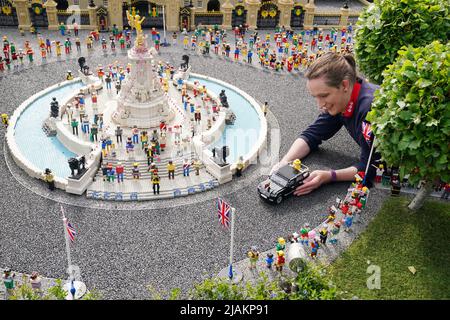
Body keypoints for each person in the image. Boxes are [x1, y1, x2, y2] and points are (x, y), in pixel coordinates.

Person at [271, 52, 380, 196]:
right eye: (315, 97)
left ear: (344, 85)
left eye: (323, 96)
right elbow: (312, 134)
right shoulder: (346, 97)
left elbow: (370, 168)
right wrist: (285, 162)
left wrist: (329, 176)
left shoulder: (369, 110)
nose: (320, 105)